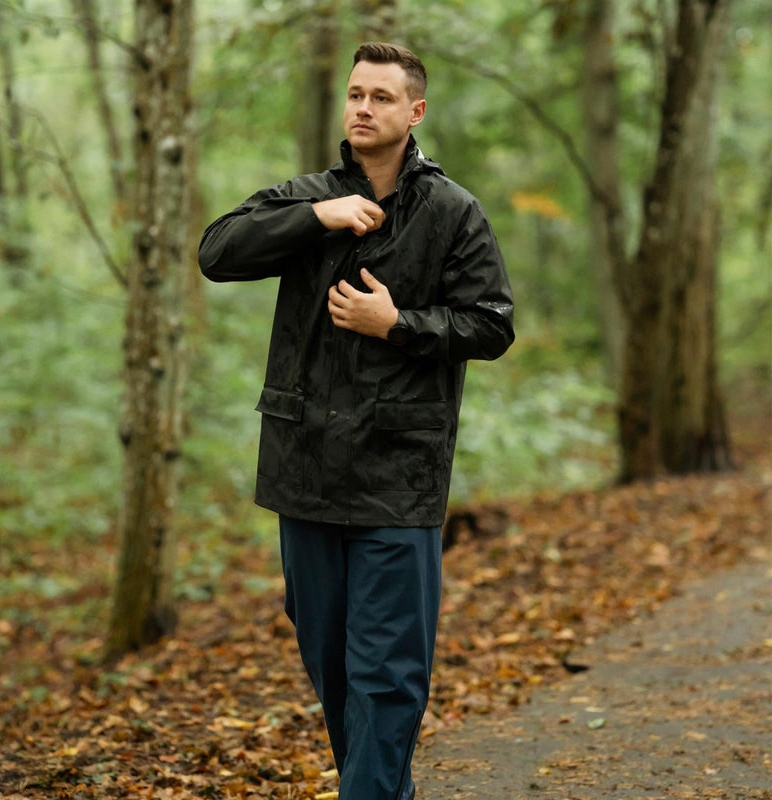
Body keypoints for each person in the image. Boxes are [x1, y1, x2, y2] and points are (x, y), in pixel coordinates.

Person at [199, 41, 514, 800]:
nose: (363, 108)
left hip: (397, 480)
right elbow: (218, 251)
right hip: (304, 472)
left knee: (386, 672)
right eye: (355, 94)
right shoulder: (304, 196)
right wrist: (316, 216)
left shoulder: (451, 211)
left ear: (416, 112)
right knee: (333, 667)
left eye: (381, 95)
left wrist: (396, 324)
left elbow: (491, 324)